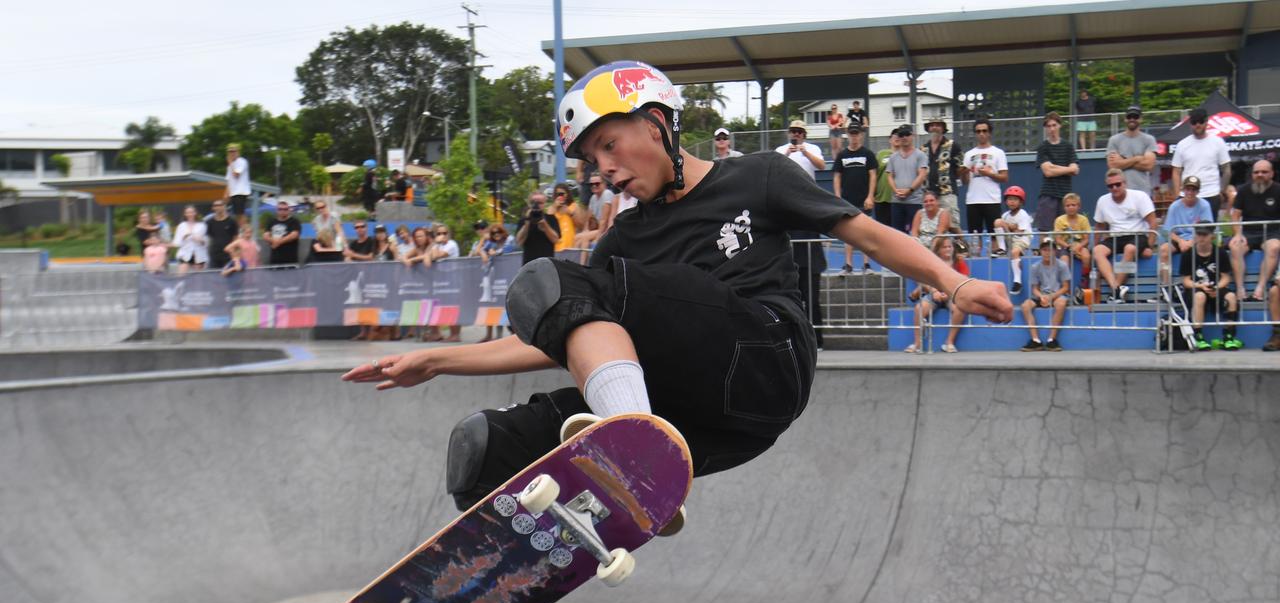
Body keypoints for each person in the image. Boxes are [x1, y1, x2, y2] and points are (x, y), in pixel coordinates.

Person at [341, 60, 1012, 520]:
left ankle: (628, 443)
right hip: (705, 422)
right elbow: (555, 341)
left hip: (764, 361)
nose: (603, 170)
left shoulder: (758, 176)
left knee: (562, 278)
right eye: (590, 161)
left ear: (657, 121)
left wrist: (952, 281)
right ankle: (485, 579)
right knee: (489, 448)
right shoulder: (623, 244)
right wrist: (435, 360)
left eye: (609, 145)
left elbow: (864, 232)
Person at [1093, 168, 1157, 303]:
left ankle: (1115, 291)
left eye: (1118, 184)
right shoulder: (1102, 201)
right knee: (1097, 251)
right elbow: (1099, 226)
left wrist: (1150, 245)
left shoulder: (1139, 196)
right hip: (1115, 236)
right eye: (1110, 186)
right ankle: (1116, 289)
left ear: (1125, 183)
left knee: (1130, 249)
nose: (1114, 188)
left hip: (1137, 234)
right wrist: (1095, 245)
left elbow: (1152, 222)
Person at [903, 235, 969, 354]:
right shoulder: (932, 262)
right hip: (934, 293)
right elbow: (924, 279)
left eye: (950, 246)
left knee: (960, 309)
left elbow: (964, 280)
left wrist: (949, 293)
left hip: (952, 294)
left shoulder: (958, 261)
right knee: (919, 308)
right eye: (945, 247)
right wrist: (934, 292)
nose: (948, 249)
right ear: (938, 249)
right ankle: (917, 343)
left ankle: (949, 342)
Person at [1180, 224, 1240, 350]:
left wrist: (1217, 288)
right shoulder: (1188, 254)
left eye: (1204, 235)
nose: (1201, 238)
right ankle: (1198, 336)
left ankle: (1229, 336)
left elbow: (1225, 277)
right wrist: (1200, 286)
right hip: (1196, 289)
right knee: (1200, 296)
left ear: (1212, 236)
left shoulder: (1220, 252)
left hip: (1215, 287)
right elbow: (1186, 280)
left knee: (1231, 297)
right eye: (1199, 234)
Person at [1228, 159, 1280, 302]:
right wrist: (1237, 233)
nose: (1260, 175)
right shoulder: (1244, 190)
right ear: (1252, 174)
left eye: (1264, 172)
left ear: (1272, 174)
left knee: (1274, 247)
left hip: (1272, 233)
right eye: (1256, 172)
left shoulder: (1278, 190)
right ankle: (1240, 289)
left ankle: (1260, 288)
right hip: (1248, 233)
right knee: (1234, 246)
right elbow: (1236, 214)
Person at [832, 120, 878, 273]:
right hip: (847, 200)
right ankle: (848, 264)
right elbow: (837, 176)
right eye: (851, 133)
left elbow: (873, 175)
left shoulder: (868, 154)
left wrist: (870, 196)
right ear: (848, 135)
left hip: (864, 200)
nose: (854, 136)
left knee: (866, 233)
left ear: (861, 135)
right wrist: (838, 197)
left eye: (856, 133)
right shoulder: (842, 155)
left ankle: (866, 264)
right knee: (848, 234)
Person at [1170, 107, 1232, 219]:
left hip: (1211, 194)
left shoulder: (1218, 142)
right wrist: (1177, 194)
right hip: (1187, 194)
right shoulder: (1182, 144)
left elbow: (1226, 169)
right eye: (1194, 122)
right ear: (1190, 124)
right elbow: (1176, 171)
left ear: (1206, 122)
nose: (1198, 125)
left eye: (1201, 121)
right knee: (1185, 230)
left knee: (1208, 232)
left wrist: (1222, 191)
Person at [961, 117, 1008, 252]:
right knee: (975, 236)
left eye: (984, 131)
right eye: (978, 131)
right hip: (973, 199)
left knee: (994, 236)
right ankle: (976, 263)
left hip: (991, 198)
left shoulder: (998, 152)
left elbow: (1004, 177)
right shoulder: (969, 154)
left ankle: (995, 263)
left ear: (989, 133)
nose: (981, 134)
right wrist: (965, 172)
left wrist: (989, 174)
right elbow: (965, 182)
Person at [1160, 176, 1214, 286]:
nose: (1190, 192)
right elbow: (1167, 230)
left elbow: (1208, 229)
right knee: (1164, 250)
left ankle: (1203, 282)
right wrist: (1181, 241)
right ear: (1183, 190)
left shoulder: (1204, 205)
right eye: (1188, 189)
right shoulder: (1174, 206)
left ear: (1198, 191)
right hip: (1179, 239)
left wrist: (1191, 242)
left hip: (1199, 238)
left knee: (1204, 246)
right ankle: (1165, 286)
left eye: (1193, 189)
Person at [1019, 239, 1072, 351]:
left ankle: (1051, 340)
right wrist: (1041, 297)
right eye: (1044, 250)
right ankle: (1035, 340)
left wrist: (1051, 297)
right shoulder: (1035, 267)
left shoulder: (1062, 265)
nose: (1047, 252)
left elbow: (1066, 287)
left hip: (1057, 294)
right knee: (1025, 306)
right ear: (1040, 251)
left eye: (1050, 250)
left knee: (1061, 303)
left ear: (1055, 251)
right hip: (1042, 295)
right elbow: (1034, 289)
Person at [1035, 111, 1080, 232]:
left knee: (1064, 233)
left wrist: (1054, 166)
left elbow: (1075, 170)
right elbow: (1047, 172)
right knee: (1045, 232)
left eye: (1054, 125)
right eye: (1049, 126)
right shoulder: (1042, 147)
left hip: (1066, 196)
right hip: (1048, 195)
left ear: (1059, 125)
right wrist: (1068, 169)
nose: (1052, 129)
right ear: (1045, 128)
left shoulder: (1068, 146)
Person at [886, 124, 928, 234]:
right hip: (896, 201)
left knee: (916, 233)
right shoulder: (893, 157)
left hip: (914, 201)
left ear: (912, 135)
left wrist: (909, 190)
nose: (904, 137)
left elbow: (922, 175)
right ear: (898, 137)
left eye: (907, 134)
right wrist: (895, 190)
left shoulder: (920, 155)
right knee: (897, 234)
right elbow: (889, 176)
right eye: (901, 135)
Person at [1106, 106, 1157, 194]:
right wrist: (1137, 159)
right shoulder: (1114, 140)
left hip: (1143, 191)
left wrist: (1122, 161)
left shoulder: (1149, 139)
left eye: (1135, 117)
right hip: (1120, 191)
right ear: (1125, 119)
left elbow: (1149, 166)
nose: (1132, 119)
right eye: (1129, 117)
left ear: (1140, 119)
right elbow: (1112, 166)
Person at [994, 186, 1034, 292]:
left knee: (1015, 252)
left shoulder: (1023, 214)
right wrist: (1010, 227)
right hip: (1010, 239)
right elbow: (1004, 228)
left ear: (1021, 202)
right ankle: (1002, 248)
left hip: (1022, 240)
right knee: (998, 222)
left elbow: (1020, 233)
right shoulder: (1005, 215)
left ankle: (1017, 282)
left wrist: (1008, 227)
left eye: (1015, 199)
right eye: (1010, 199)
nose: (1012, 202)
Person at [922, 118, 962, 219]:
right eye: (932, 125)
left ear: (943, 128)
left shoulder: (953, 145)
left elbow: (962, 167)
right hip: (929, 194)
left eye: (938, 125)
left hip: (947, 192)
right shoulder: (923, 148)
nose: (934, 127)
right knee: (931, 225)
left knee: (953, 224)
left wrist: (951, 178)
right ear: (928, 129)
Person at [1053, 193, 1093, 293]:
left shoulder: (1083, 220)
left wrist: (1078, 246)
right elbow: (1058, 239)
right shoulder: (1059, 220)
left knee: (1087, 256)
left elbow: (1086, 239)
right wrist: (1068, 247)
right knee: (1064, 261)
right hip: (1065, 247)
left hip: (1079, 246)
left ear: (1078, 206)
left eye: (1073, 205)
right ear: (1064, 207)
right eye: (1068, 205)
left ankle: (1085, 279)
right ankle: (1065, 286)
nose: (1071, 207)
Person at [515, 192, 560, 265]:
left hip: (547, 263)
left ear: (544, 204)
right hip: (529, 264)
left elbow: (556, 240)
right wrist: (527, 224)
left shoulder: (551, 218)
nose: (536, 205)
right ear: (529, 204)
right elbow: (519, 242)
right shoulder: (524, 220)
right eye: (533, 202)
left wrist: (545, 226)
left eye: (539, 203)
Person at [172, 205, 208, 275]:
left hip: (199, 254)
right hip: (185, 254)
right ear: (185, 214)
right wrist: (184, 237)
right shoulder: (181, 226)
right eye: (188, 212)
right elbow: (176, 243)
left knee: (198, 278)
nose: (190, 214)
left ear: (195, 213)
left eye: (191, 212)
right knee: (181, 276)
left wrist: (200, 240)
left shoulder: (202, 225)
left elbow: (206, 242)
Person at [872, 133, 898, 227]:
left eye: (900, 135)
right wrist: (872, 194)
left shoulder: (905, 154)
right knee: (882, 228)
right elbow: (874, 174)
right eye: (894, 135)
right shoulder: (881, 154)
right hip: (881, 198)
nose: (897, 138)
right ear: (889, 139)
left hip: (898, 199)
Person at [266, 200, 302, 266]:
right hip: (274, 260)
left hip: (290, 261)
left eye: (285, 209)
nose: (282, 211)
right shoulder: (271, 221)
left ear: (288, 210)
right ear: (277, 210)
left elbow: (294, 235)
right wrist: (272, 241)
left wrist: (278, 242)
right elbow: (266, 235)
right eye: (280, 209)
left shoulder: (294, 221)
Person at [206, 199, 238, 269]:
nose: (218, 207)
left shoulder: (231, 221)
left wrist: (234, 252)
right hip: (214, 254)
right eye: (215, 206)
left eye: (220, 205)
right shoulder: (209, 222)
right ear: (213, 208)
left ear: (224, 206)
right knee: (213, 277)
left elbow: (235, 237)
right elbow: (208, 237)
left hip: (228, 254)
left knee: (228, 277)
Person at [550, 183, 582, 253]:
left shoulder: (574, 206)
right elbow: (548, 224)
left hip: (570, 244)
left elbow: (580, 226)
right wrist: (554, 207)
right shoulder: (552, 208)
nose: (560, 196)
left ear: (567, 194)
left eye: (562, 194)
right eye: (558, 194)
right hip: (556, 246)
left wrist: (570, 213)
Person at [224, 144, 251, 221]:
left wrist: (230, 163)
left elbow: (236, 175)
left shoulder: (242, 161)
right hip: (233, 192)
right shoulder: (230, 165)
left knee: (240, 213)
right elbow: (229, 180)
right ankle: (241, 230)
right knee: (236, 214)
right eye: (230, 152)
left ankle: (245, 231)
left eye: (233, 151)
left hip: (240, 192)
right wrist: (226, 194)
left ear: (238, 152)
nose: (232, 153)